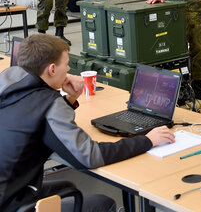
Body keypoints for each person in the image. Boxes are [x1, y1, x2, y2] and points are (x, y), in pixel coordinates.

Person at [0, 34, 175, 211]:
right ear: (52, 69)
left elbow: (32, 117)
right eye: (66, 64)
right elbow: (90, 156)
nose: (68, 70)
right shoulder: (50, 104)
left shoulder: (7, 85)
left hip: (9, 190)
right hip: (13, 203)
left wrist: (69, 99)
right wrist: (147, 140)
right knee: (102, 204)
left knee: (67, 186)